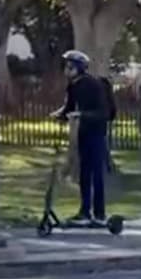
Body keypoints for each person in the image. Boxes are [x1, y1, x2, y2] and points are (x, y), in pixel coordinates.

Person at [51, 50, 109, 226]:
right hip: (83, 132)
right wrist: (60, 115)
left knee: (96, 174)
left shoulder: (94, 85)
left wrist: (82, 115)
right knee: (84, 173)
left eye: (70, 67)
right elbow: (69, 107)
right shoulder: (73, 86)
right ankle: (84, 211)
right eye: (66, 66)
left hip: (97, 133)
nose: (66, 70)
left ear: (79, 68)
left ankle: (99, 214)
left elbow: (103, 112)